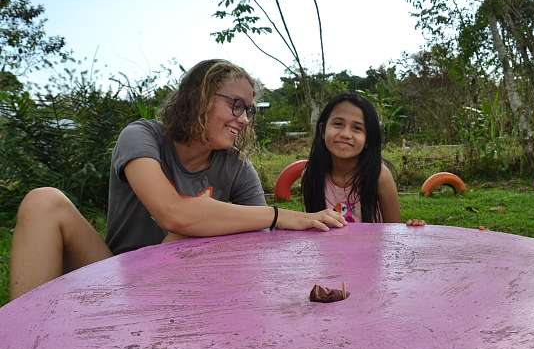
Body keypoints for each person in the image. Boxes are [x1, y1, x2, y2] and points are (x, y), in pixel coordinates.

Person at [9, 59, 346, 300]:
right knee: (44, 200)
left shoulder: (237, 168)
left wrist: (202, 225)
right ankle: (18, 340)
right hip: (116, 277)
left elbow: (255, 249)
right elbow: (173, 213)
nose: (243, 119)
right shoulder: (142, 136)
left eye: (249, 110)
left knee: (191, 232)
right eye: (236, 105)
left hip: (191, 285)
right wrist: (279, 215)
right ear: (199, 97)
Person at [301, 93, 401, 223]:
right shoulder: (311, 174)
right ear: (322, 130)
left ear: (368, 139)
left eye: (357, 128)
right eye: (338, 124)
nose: (345, 134)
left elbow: (394, 229)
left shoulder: (379, 175)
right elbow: (312, 227)